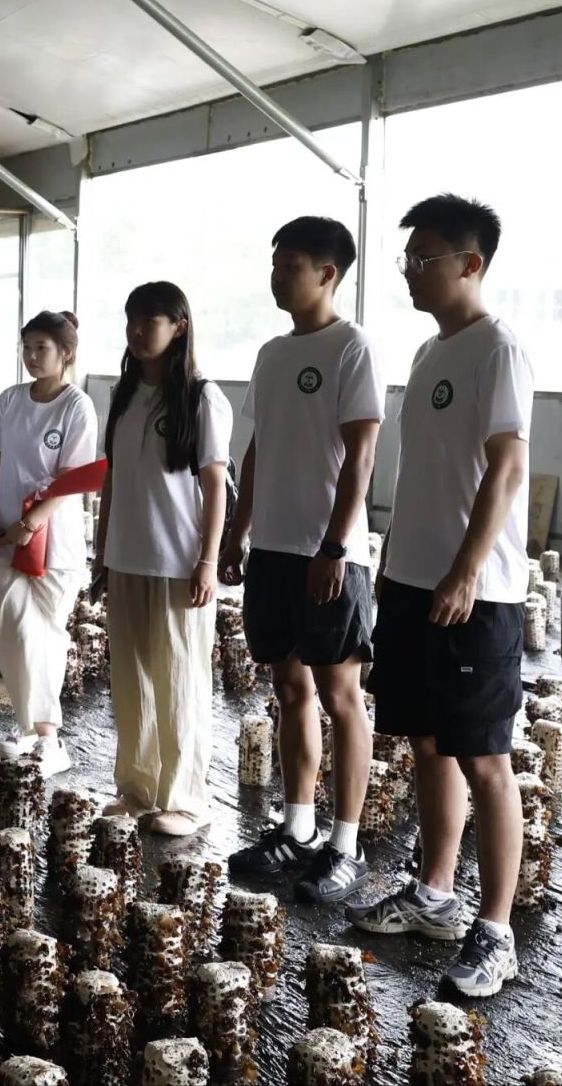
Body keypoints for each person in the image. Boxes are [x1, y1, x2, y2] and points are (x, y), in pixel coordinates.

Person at [349, 194, 533, 1001]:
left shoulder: (499, 350)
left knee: (484, 756)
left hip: (476, 593)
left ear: (471, 263)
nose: (411, 272)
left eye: (424, 258)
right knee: (427, 742)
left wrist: (465, 570)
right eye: (408, 258)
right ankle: (434, 893)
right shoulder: (429, 353)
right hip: (414, 581)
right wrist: (396, 562)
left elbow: (508, 468)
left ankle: (496, 931)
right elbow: (423, 474)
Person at [221, 217, 383, 904]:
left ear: (328, 273)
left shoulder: (351, 347)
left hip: (328, 553)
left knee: (341, 696)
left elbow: (361, 453)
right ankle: (298, 826)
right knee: (290, 689)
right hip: (274, 549)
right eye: (275, 265)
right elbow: (259, 446)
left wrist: (336, 545)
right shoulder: (272, 353)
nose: (278, 277)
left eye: (292, 266)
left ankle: (346, 843)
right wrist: (238, 530)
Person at [94, 282, 233, 836]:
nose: (137, 329)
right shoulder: (125, 394)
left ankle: (187, 799)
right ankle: (137, 788)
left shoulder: (201, 397)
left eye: (150, 320)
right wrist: (102, 549)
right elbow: (112, 478)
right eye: (131, 319)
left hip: (178, 562)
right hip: (127, 555)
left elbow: (215, 484)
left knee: (179, 680)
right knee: (131, 681)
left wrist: (208, 561)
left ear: (179, 327)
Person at [0, 310, 98, 779]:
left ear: (65, 353)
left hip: (54, 542)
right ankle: (27, 726)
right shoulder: (9, 400)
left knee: (44, 634)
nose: (32, 356)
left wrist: (29, 525)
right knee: (11, 634)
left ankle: (49, 737)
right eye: (26, 347)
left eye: (41, 348)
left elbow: (72, 478)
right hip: (6, 538)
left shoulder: (76, 406)